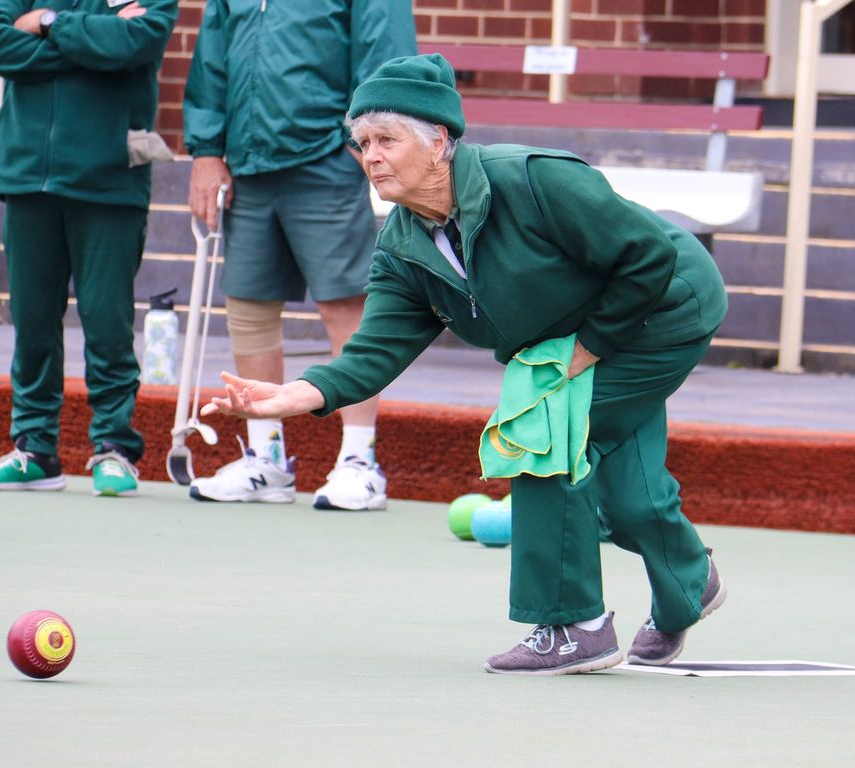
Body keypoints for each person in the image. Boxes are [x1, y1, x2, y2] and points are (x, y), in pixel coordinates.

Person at [199, 53, 730, 674]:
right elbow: (374, 352)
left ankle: (573, 626)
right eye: (362, 142)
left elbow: (644, 257)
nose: (370, 156)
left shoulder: (534, 180)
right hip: (579, 337)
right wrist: (298, 394)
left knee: (541, 430)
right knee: (631, 497)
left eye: (387, 140)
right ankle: (690, 585)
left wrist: (590, 349)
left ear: (441, 141)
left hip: (662, 313)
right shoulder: (403, 248)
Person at [181, 0, 416, 511]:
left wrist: (367, 140)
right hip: (246, 162)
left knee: (344, 303)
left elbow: (384, 52)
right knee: (249, 302)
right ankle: (265, 460)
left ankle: (359, 462)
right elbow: (211, 60)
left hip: (328, 158)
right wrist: (205, 150)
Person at [0, 0, 178, 497]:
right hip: (26, 178)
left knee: (107, 321)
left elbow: (136, 43)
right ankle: (35, 449)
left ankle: (114, 449)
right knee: (34, 322)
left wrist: (46, 25)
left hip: (108, 182)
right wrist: (94, 43)